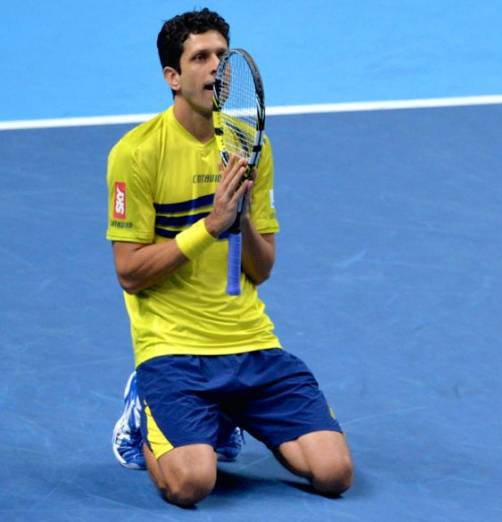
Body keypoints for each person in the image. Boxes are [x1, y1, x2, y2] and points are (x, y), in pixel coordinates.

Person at [105, 8, 353, 507]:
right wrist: (209, 227)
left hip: (251, 344)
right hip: (174, 351)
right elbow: (129, 273)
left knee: (335, 473)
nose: (215, 66)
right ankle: (142, 416)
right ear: (173, 77)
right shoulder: (135, 154)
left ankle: (224, 414)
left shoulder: (250, 148)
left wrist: (240, 220)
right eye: (200, 57)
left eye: (221, 55)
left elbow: (261, 268)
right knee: (192, 484)